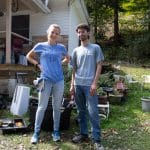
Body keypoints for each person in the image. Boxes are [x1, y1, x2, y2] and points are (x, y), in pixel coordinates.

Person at [26, 24, 70, 144]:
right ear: (48, 32)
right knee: (41, 107)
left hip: (59, 80)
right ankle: (36, 132)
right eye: (52, 32)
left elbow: (68, 58)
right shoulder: (40, 46)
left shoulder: (61, 47)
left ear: (59, 35)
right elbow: (28, 56)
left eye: (57, 33)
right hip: (44, 79)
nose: (54, 34)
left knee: (57, 107)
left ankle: (56, 131)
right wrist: (38, 64)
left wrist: (60, 63)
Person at [70, 23, 104, 150]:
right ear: (77, 34)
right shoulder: (75, 50)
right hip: (78, 85)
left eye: (83, 31)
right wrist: (72, 84)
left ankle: (97, 139)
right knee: (81, 111)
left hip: (90, 86)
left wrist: (95, 83)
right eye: (79, 32)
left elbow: (99, 65)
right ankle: (84, 134)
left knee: (93, 111)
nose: (81, 34)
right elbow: (73, 68)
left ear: (88, 33)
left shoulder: (95, 48)